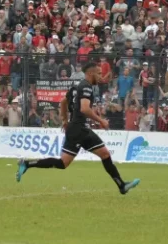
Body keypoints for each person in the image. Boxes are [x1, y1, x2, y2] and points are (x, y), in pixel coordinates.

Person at [15, 62, 141, 195]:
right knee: (101, 155)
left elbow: (63, 102)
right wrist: (101, 121)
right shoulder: (86, 87)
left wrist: (65, 121)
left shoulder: (76, 86)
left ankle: (27, 164)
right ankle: (121, 185)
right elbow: (85, 109)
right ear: (90, 73)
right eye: (98, 73)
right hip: (79, 129)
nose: (100, 77)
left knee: (66, 162)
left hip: (75, 128)